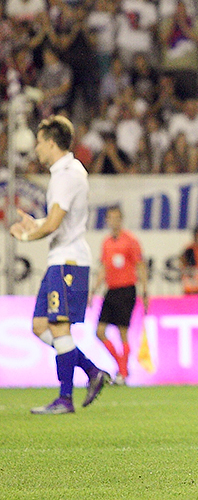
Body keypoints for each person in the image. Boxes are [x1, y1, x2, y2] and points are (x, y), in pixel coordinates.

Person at [9, 115, 111, 414]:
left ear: (52, 143)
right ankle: (92, 371)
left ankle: (65, 399)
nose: (36, 148)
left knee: (58, 326)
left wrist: (27, 235)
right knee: (40, 326)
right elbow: (55, 221)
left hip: (68, 260)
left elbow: (54, 224)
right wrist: (35, 223)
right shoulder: (65, 171)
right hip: (60, 258)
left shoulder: (66, 174)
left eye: (39, 142)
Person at [89, 206, 149, 385]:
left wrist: (145, 290)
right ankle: (122, 368)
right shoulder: (106, 242)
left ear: (121, 220)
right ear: (107, 220)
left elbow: (140, 265)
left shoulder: (130, 240)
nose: (113, 221)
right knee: (99, 331)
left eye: (116, 218)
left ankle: (122, 373)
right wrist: (94, 290)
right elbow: (104, 268)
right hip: (111, 290)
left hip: (126, 289)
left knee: (123, 332)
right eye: (110, 218)